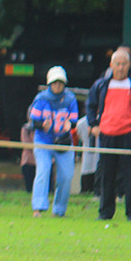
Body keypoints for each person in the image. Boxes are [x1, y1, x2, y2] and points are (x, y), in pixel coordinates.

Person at [85, 48, 131, 221]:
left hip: (130, 134)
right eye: (117, 64)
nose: (120, 68)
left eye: (124, 64)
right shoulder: (101, 85)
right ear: (111, 65)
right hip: (107, 133)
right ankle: (105, 213)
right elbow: (90, 105)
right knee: (106, 175)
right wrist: (93, 125)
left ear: (129, 65)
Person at [29, 66, 78, 218]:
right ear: (49, 83)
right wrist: (41, 125)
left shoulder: (70, 99)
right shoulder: (41, 99)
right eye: (55, 83)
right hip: (43, 141)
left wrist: (70, 124)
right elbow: (33, 122)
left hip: (63, 142)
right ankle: (38, 207)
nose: (58, 86)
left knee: (66, 176)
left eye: (60, 83)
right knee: (43, 171)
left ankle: (59, 210)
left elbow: (74, 119)